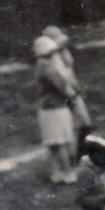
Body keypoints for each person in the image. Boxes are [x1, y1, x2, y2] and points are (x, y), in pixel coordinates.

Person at [33, 34, 80, 184]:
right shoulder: (47, 66)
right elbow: (61, 84)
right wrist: (72, 96)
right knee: (61, 142)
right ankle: (68, 172)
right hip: (56, 108)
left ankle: (56, 172)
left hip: (46, 108)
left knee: (53, 143)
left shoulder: (41, 64)